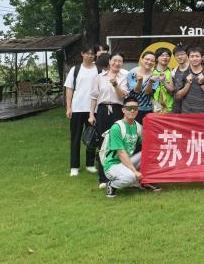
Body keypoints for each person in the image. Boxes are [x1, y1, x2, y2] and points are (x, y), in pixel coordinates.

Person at [103, 98, 161, 198]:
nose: (132, 110)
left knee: (151, 153)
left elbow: (147, 144)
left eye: (135, 108)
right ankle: (112, 185)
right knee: (130, 177)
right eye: (129, 108)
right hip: (113, 165)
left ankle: (144, 182)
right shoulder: (117, 127)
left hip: (127, 161)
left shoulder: (138, 127)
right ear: (123, 110)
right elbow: (120, 152)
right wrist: (134, 171)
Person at [89, 52, 128, 188]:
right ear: (110, 61)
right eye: (114, 60)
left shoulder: (124, 77)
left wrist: (115, 84)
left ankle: (118, 174)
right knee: (103, 143)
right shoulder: (99, 77)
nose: (117, 63)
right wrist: (91, 114)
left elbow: (122, 96)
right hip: (102, 111)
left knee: (118, 142)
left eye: (120, 61)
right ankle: (103, 178)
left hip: (118, 110)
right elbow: (94, 97)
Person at [64, 45, 99, 177]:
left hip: (93, 110)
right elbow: (69, 89)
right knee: (75, 138)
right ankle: (74, 166)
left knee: (92, 137)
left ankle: (90, 164)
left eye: (92, 54)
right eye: (87, 53)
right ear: (82, 54)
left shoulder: (98, 69)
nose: (90, 56)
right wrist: (69, 107)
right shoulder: (75, 69)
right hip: (77, 108)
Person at [175, 47, 204, 114]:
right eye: (192, 56)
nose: (194, 59)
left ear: (201, 58)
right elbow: (178, 96)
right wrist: (188, 84)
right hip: (187, 113)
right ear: (188, 58)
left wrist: (202, 84)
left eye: (197, 56)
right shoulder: (183, 74)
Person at [127, 51, 159, 124]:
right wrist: (140, 81)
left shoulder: (155, 77)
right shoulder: (132, 73)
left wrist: (150, 82)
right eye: (147, 59)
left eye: (152, 61)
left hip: (147, 110)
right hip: (131, 108)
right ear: (141, 60)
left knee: (145, 130)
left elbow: (147, 92)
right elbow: (136, 91)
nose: (149, 62)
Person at [152, 47, 175, 113]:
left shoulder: (172, 72)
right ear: (156, 58)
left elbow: (172, 91)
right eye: (162, 55)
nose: (165, 57)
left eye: (167, 56)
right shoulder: (151, 72)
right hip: (154, 107)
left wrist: (164, 81)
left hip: (169, 107)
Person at [171, 45, 189, 114]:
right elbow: (173, 89)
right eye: (177, 55)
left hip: (191, 106)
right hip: (178, 106)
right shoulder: (174, 71)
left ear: (187, 55)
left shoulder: (194, 69)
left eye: (182, 54)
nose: (179, 57)